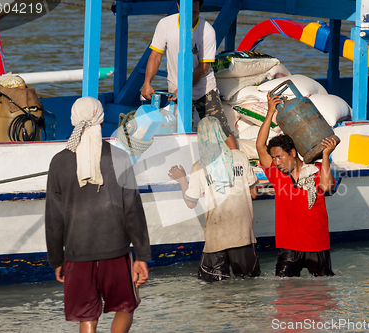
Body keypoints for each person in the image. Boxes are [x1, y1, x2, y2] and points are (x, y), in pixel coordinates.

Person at [45, 97, 151, 333]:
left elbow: (54, 218)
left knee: (87, 316)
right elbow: (132, 208)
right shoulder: (120, 157)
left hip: (76, 252)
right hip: (115, 250)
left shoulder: (59, 162)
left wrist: (56, 260)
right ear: (101, 118)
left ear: (73, 120)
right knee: (126, 306)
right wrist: (142, 255)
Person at [255, 92, 337, 277]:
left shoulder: (315, 169)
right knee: (284, 294)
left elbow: (326, 187)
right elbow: (260, 147)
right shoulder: (276, 175)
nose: (276, 162)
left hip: (317, 245)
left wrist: (325, 155)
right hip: (289, 248)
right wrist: (270, 113)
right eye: (274, 158)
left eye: (279, 157)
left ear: (292, 153)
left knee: (322, 296)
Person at [168, 116, 260, 282]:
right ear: (220, 134)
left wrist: (182, 180)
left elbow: (190, 203)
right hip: (243, 235)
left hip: (216, 238)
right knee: (249, 285)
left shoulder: (199, 166)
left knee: (214, 293)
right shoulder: (240, 157)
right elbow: (254, 194)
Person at [141, 0, 238, 149]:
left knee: (220, 128)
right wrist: (147, 83)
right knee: (180, 131)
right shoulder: (165, 24)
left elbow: (204, 67)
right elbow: (155, 56)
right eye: (187, 12)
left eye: (194, 12)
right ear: (179, 6)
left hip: (203, 88)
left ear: (200, 8)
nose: (191, 16)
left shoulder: (208, 31)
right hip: (176, 89)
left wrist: (184, 88)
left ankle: (237, 161)